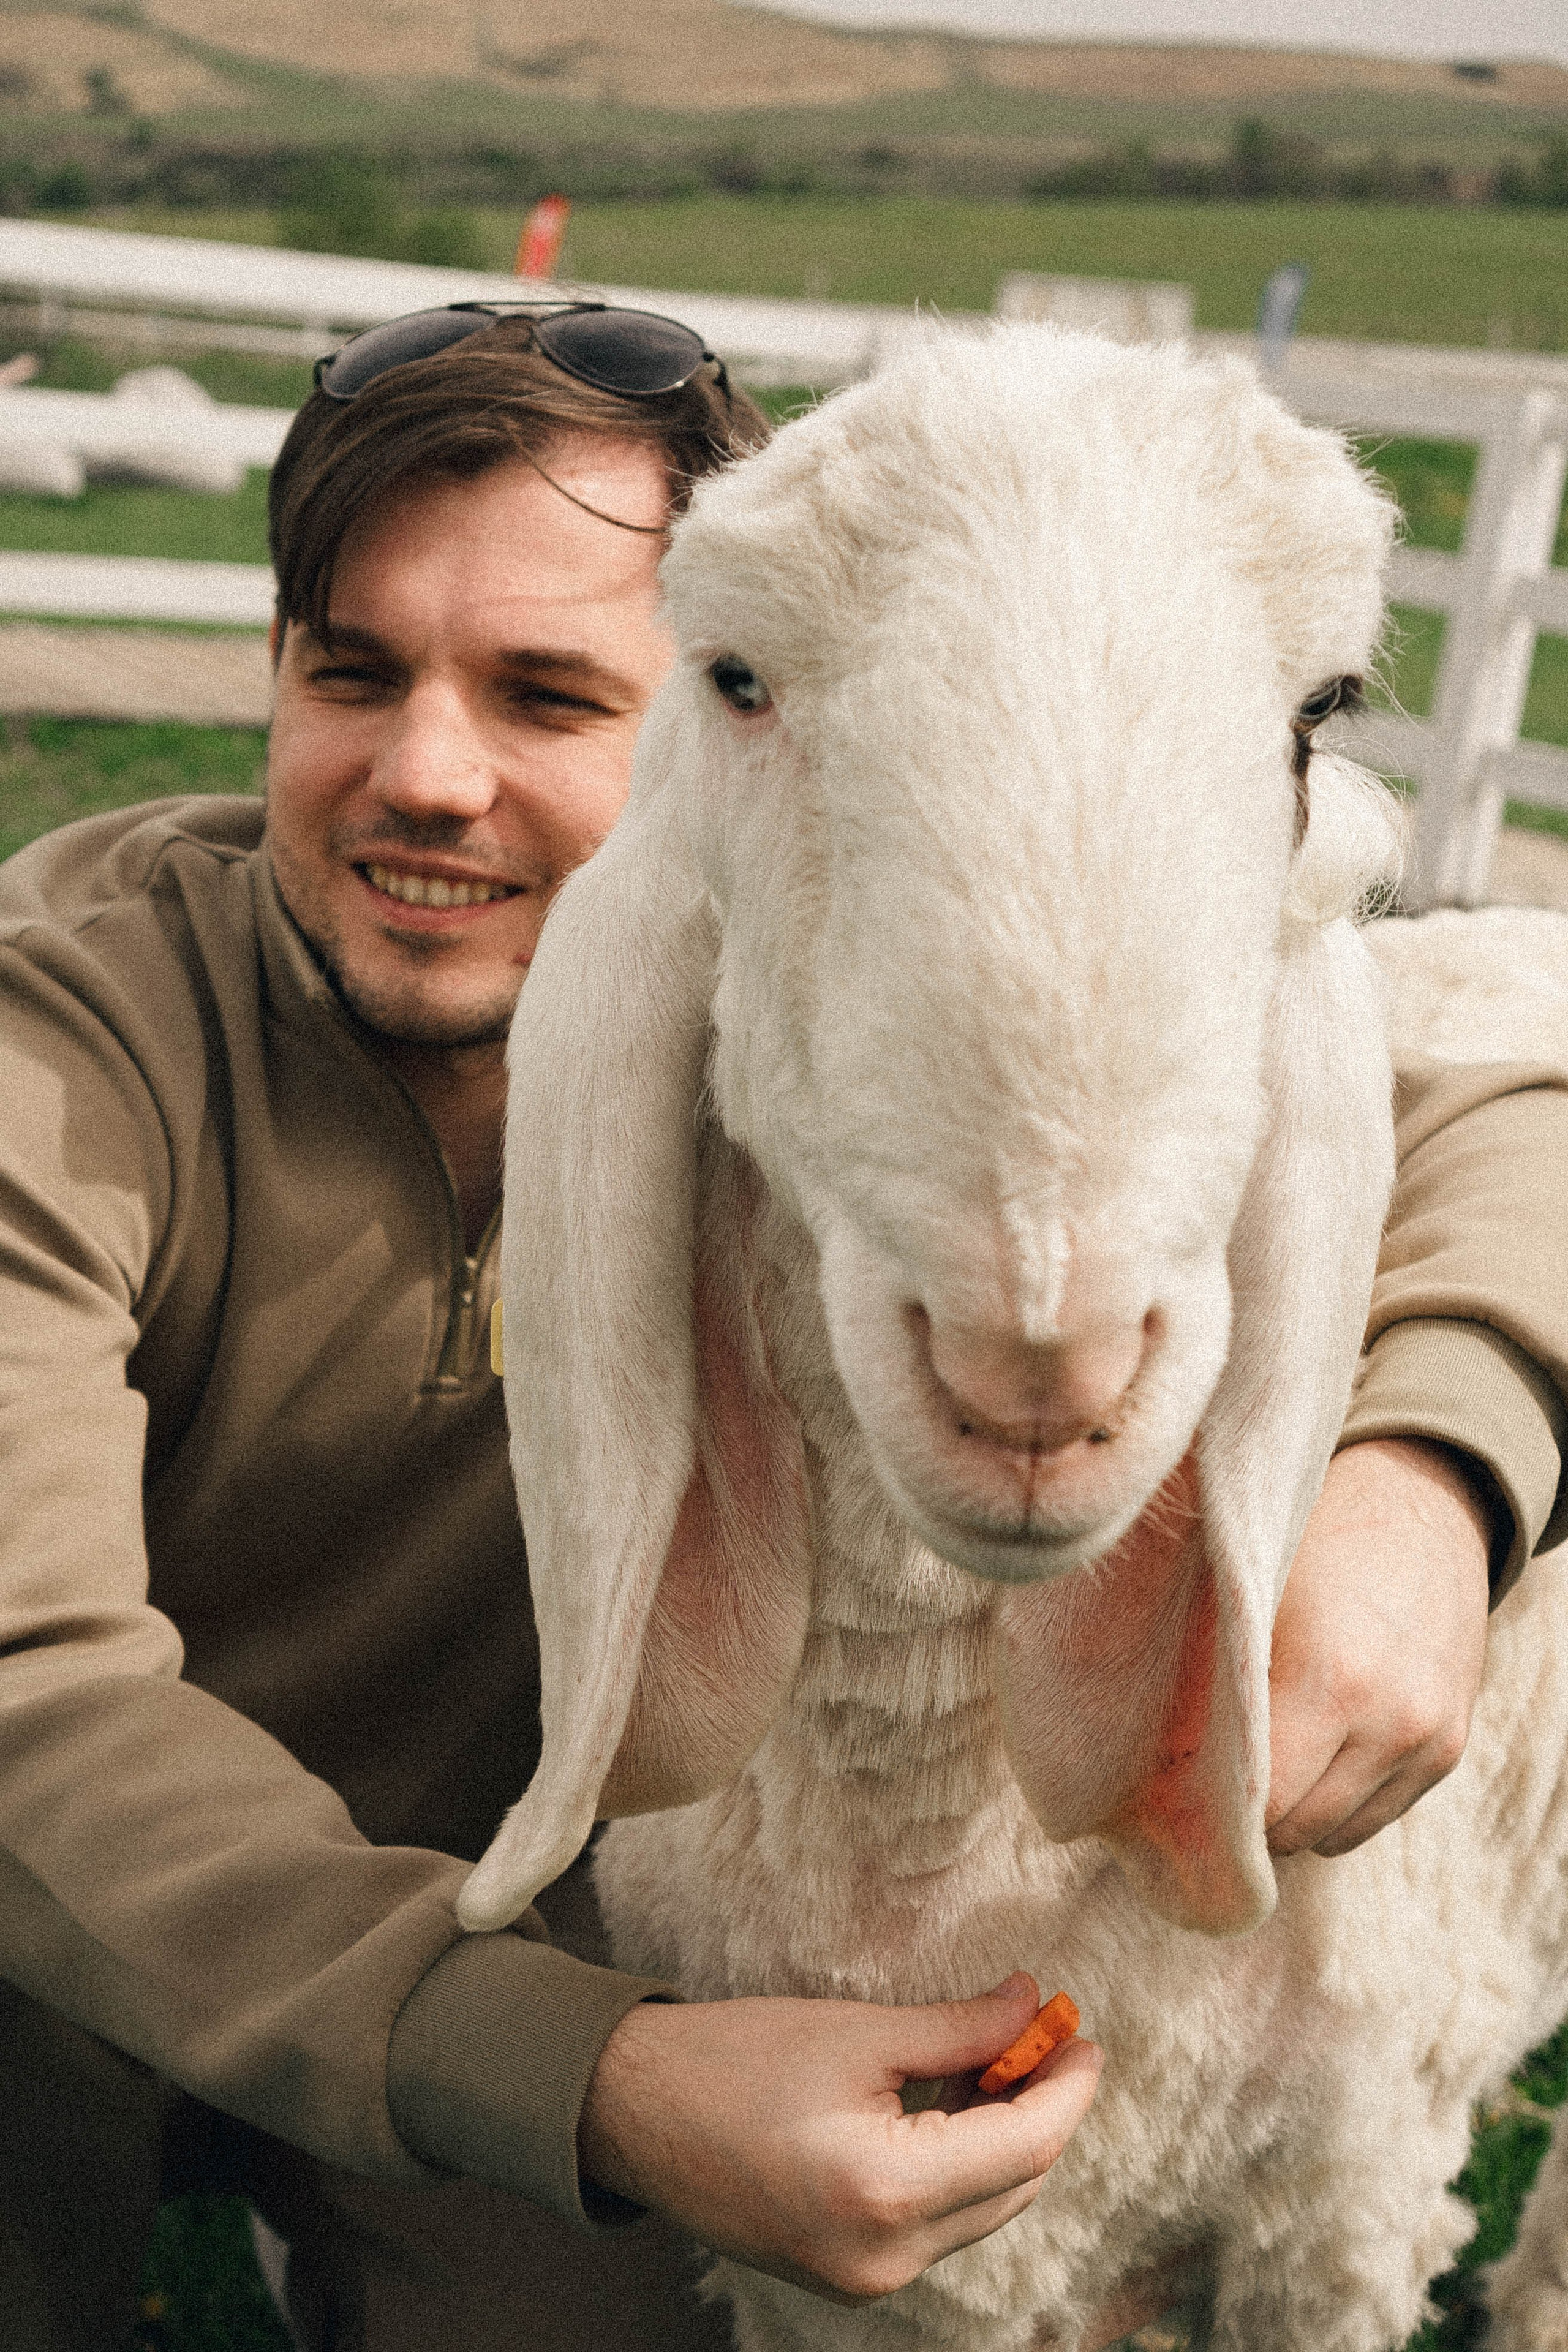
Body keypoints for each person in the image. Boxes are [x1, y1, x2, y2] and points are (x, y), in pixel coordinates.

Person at [0, 303, 1562, 2352]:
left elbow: (1500, 1080)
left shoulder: (810, 1025)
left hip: (536, 1923)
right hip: (100, 1945)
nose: (428, 775)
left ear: (744, 736)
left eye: (555, 695)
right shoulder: (70, 1062)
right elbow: (29, 1692)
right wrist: (599, 2078)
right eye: (352, 671)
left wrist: (1438, 1474)